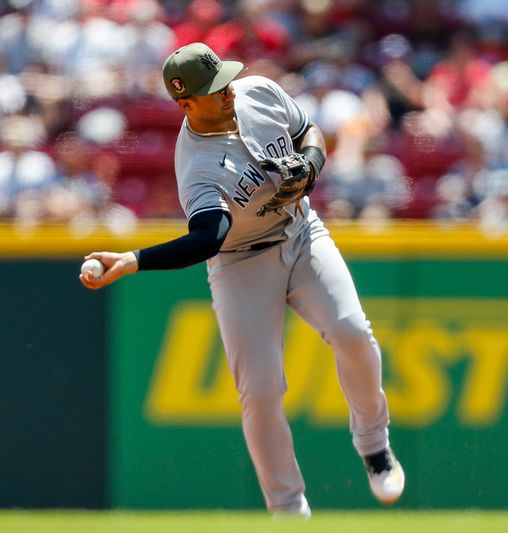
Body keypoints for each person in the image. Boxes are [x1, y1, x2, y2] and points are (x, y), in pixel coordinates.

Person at [79, 42, 404, 517]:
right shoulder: (197, 166)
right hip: (239, 264)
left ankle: (375, 446)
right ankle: (289, 511)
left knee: (352, 331)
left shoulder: (257, 92)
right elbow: (209, 237)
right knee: (261, 391)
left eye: (224, 77)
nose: (227, 89)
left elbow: (308, 130)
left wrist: (310, 167)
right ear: (186, 103)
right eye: (213, 88)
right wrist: (133, 260)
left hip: (301, 232)